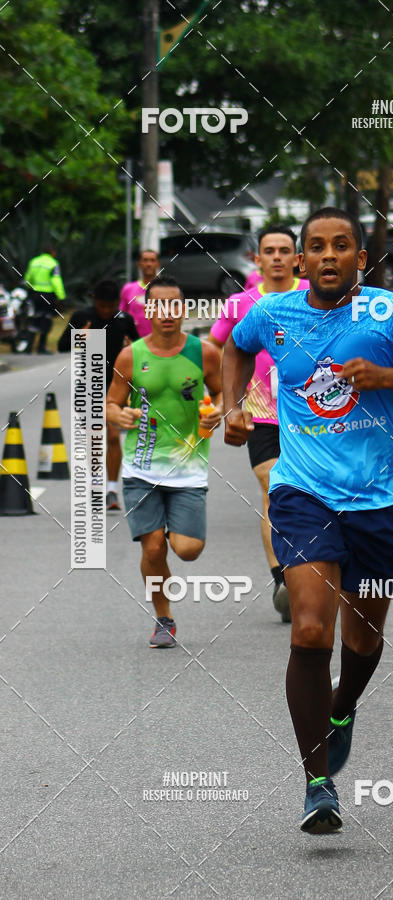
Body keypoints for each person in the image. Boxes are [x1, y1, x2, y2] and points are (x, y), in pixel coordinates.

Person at [222, 207, 393, 833]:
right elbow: (233, 346)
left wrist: (387, 376)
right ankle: (317, 784)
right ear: (300, 260)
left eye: (341, 246)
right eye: (315, 247)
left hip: (384, 500)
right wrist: (234, 408)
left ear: (361, 260)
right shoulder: (274, 314)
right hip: (303, 491)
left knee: (362, 641)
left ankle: (343, 708)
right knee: (310, 630)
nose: (327, 255)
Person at [107, 276, 223, 648]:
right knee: (154, 547)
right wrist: (118, 415)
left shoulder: (203, 352)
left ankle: (174, 530)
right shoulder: (131, 356)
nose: (167, 313)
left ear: (184, 309)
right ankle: (164, 618)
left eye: (175, 304)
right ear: (147, 310)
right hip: (141, 468)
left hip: (188, 467)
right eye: (159, 305)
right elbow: (111, 403)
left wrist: (216, 413)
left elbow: (223, 394)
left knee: (187, 549)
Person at [208, 226, 309, 623]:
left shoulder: (313, 298)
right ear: (259, 258)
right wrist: (227, 399)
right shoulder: (240, 304)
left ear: (297, 259)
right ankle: (281, 578)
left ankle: (314, 566)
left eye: (286, 250)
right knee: (273, 488)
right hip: (262, 413)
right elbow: (219, 347)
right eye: (271, 251)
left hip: (309, 413)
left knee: (311, 493)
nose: (278, 257)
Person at [58, 279, 139, 510]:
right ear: (95, 301)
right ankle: (95, 486)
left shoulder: (124, 319)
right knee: (94, 437)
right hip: (89, 383)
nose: (105, 311)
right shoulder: (82, 317)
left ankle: (111, 490)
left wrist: (131, 347)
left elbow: (142, 347)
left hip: (116, 384)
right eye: (102, 306)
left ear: (117, 303)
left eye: (110, 307)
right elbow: (61, 345)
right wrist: (78, 339)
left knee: (113, 436)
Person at [23, 246, 66, 354]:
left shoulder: (34, 261)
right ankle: (41, 347)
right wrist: (61, 297)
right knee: (46, 319)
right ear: (52, 252)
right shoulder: (53, 263)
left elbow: (28, 278)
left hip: (35, 294)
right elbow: (56, 281)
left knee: (34, 318)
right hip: (47, 295)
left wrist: (30, 291)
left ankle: (29, 347)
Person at [119, 250, 161, 338]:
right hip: (135, 343)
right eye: (145, 260)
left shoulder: (167, 289)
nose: (149, 264)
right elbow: (121, 316)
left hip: (160, 342)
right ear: (139, 264)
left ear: (158, 264)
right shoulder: (128, 289)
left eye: (152, 260)